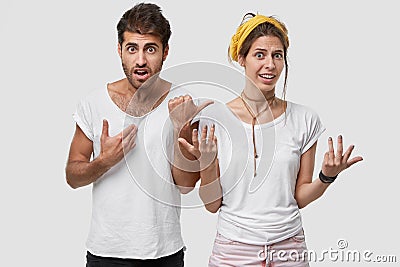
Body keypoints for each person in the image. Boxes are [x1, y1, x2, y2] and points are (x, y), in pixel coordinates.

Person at [178, 13, 363, 266]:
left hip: (290, 249)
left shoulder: (304, 119)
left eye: (277, 55)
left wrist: (327, 176)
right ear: (241, 59)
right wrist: (208, 164)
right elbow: (212, 205)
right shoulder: (215, 118)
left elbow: (299, 197)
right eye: (260, 54)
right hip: (233, 250)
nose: (270, 64)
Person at [65, 3, 209, 266]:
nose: (141, 60)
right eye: (132, 48)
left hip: (165, 252)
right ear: (120, 50)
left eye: (150, 49)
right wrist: (104, 161)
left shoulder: (182, 102)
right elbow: (72, 177)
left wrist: (180, 128)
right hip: (107, 252)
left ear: (165, 52)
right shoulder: (93, 103)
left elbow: (186, 186)